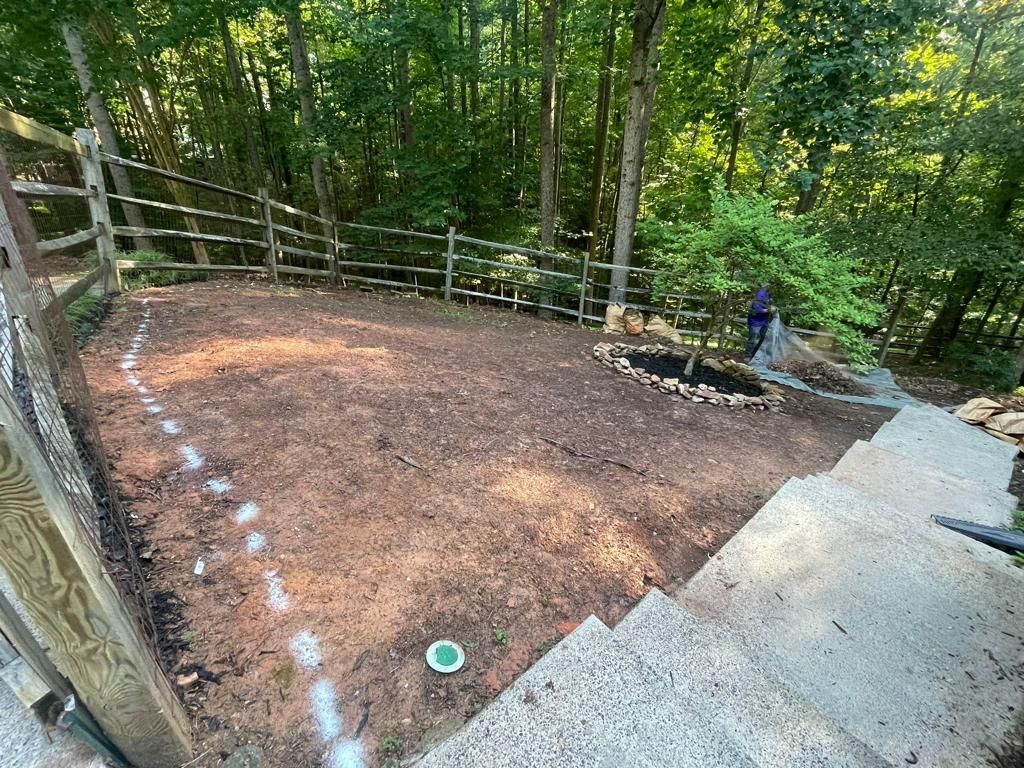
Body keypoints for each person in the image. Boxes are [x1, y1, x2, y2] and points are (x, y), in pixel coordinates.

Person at [746, 284, 775, 359]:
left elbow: (769, 305)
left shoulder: (768, 295)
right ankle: (748, 356)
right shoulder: (759, 295)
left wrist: (772, 308)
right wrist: (768, 310)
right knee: (752, 339)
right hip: (754, 321)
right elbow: (756, 310)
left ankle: (756, 354)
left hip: (764, 321)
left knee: (764, 338)